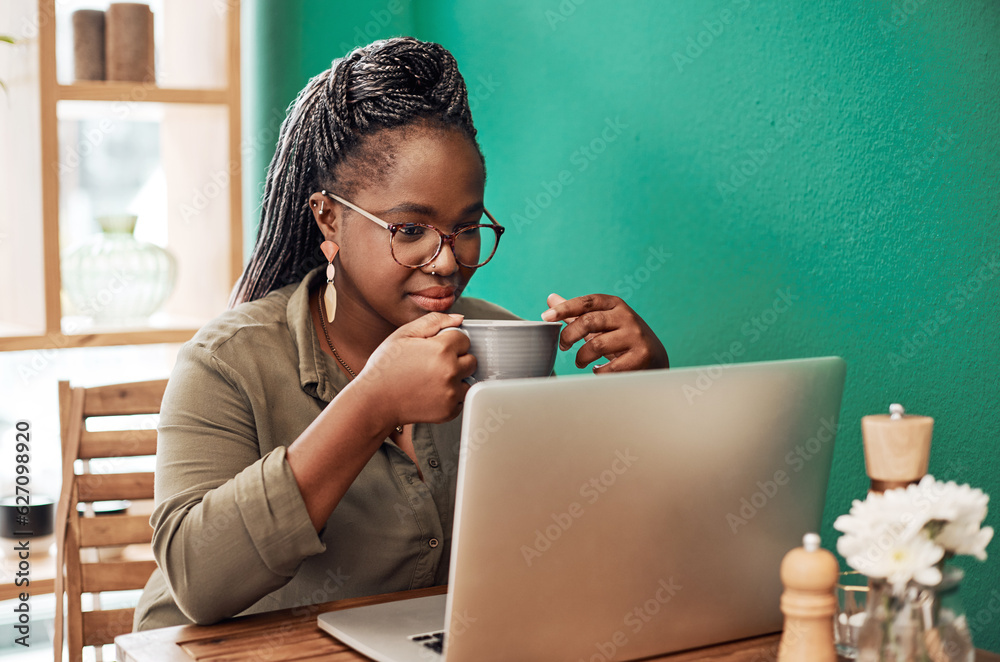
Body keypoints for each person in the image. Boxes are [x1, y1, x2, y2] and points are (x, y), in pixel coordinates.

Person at [134, 36, 668, 630]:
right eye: (410, 229)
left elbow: (586, 541)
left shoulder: (501, 342)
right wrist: (371, 403)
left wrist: (644, 399)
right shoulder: (227, 363)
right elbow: (196, 581)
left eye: (466, 228)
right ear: (328, 217)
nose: (446, 262)